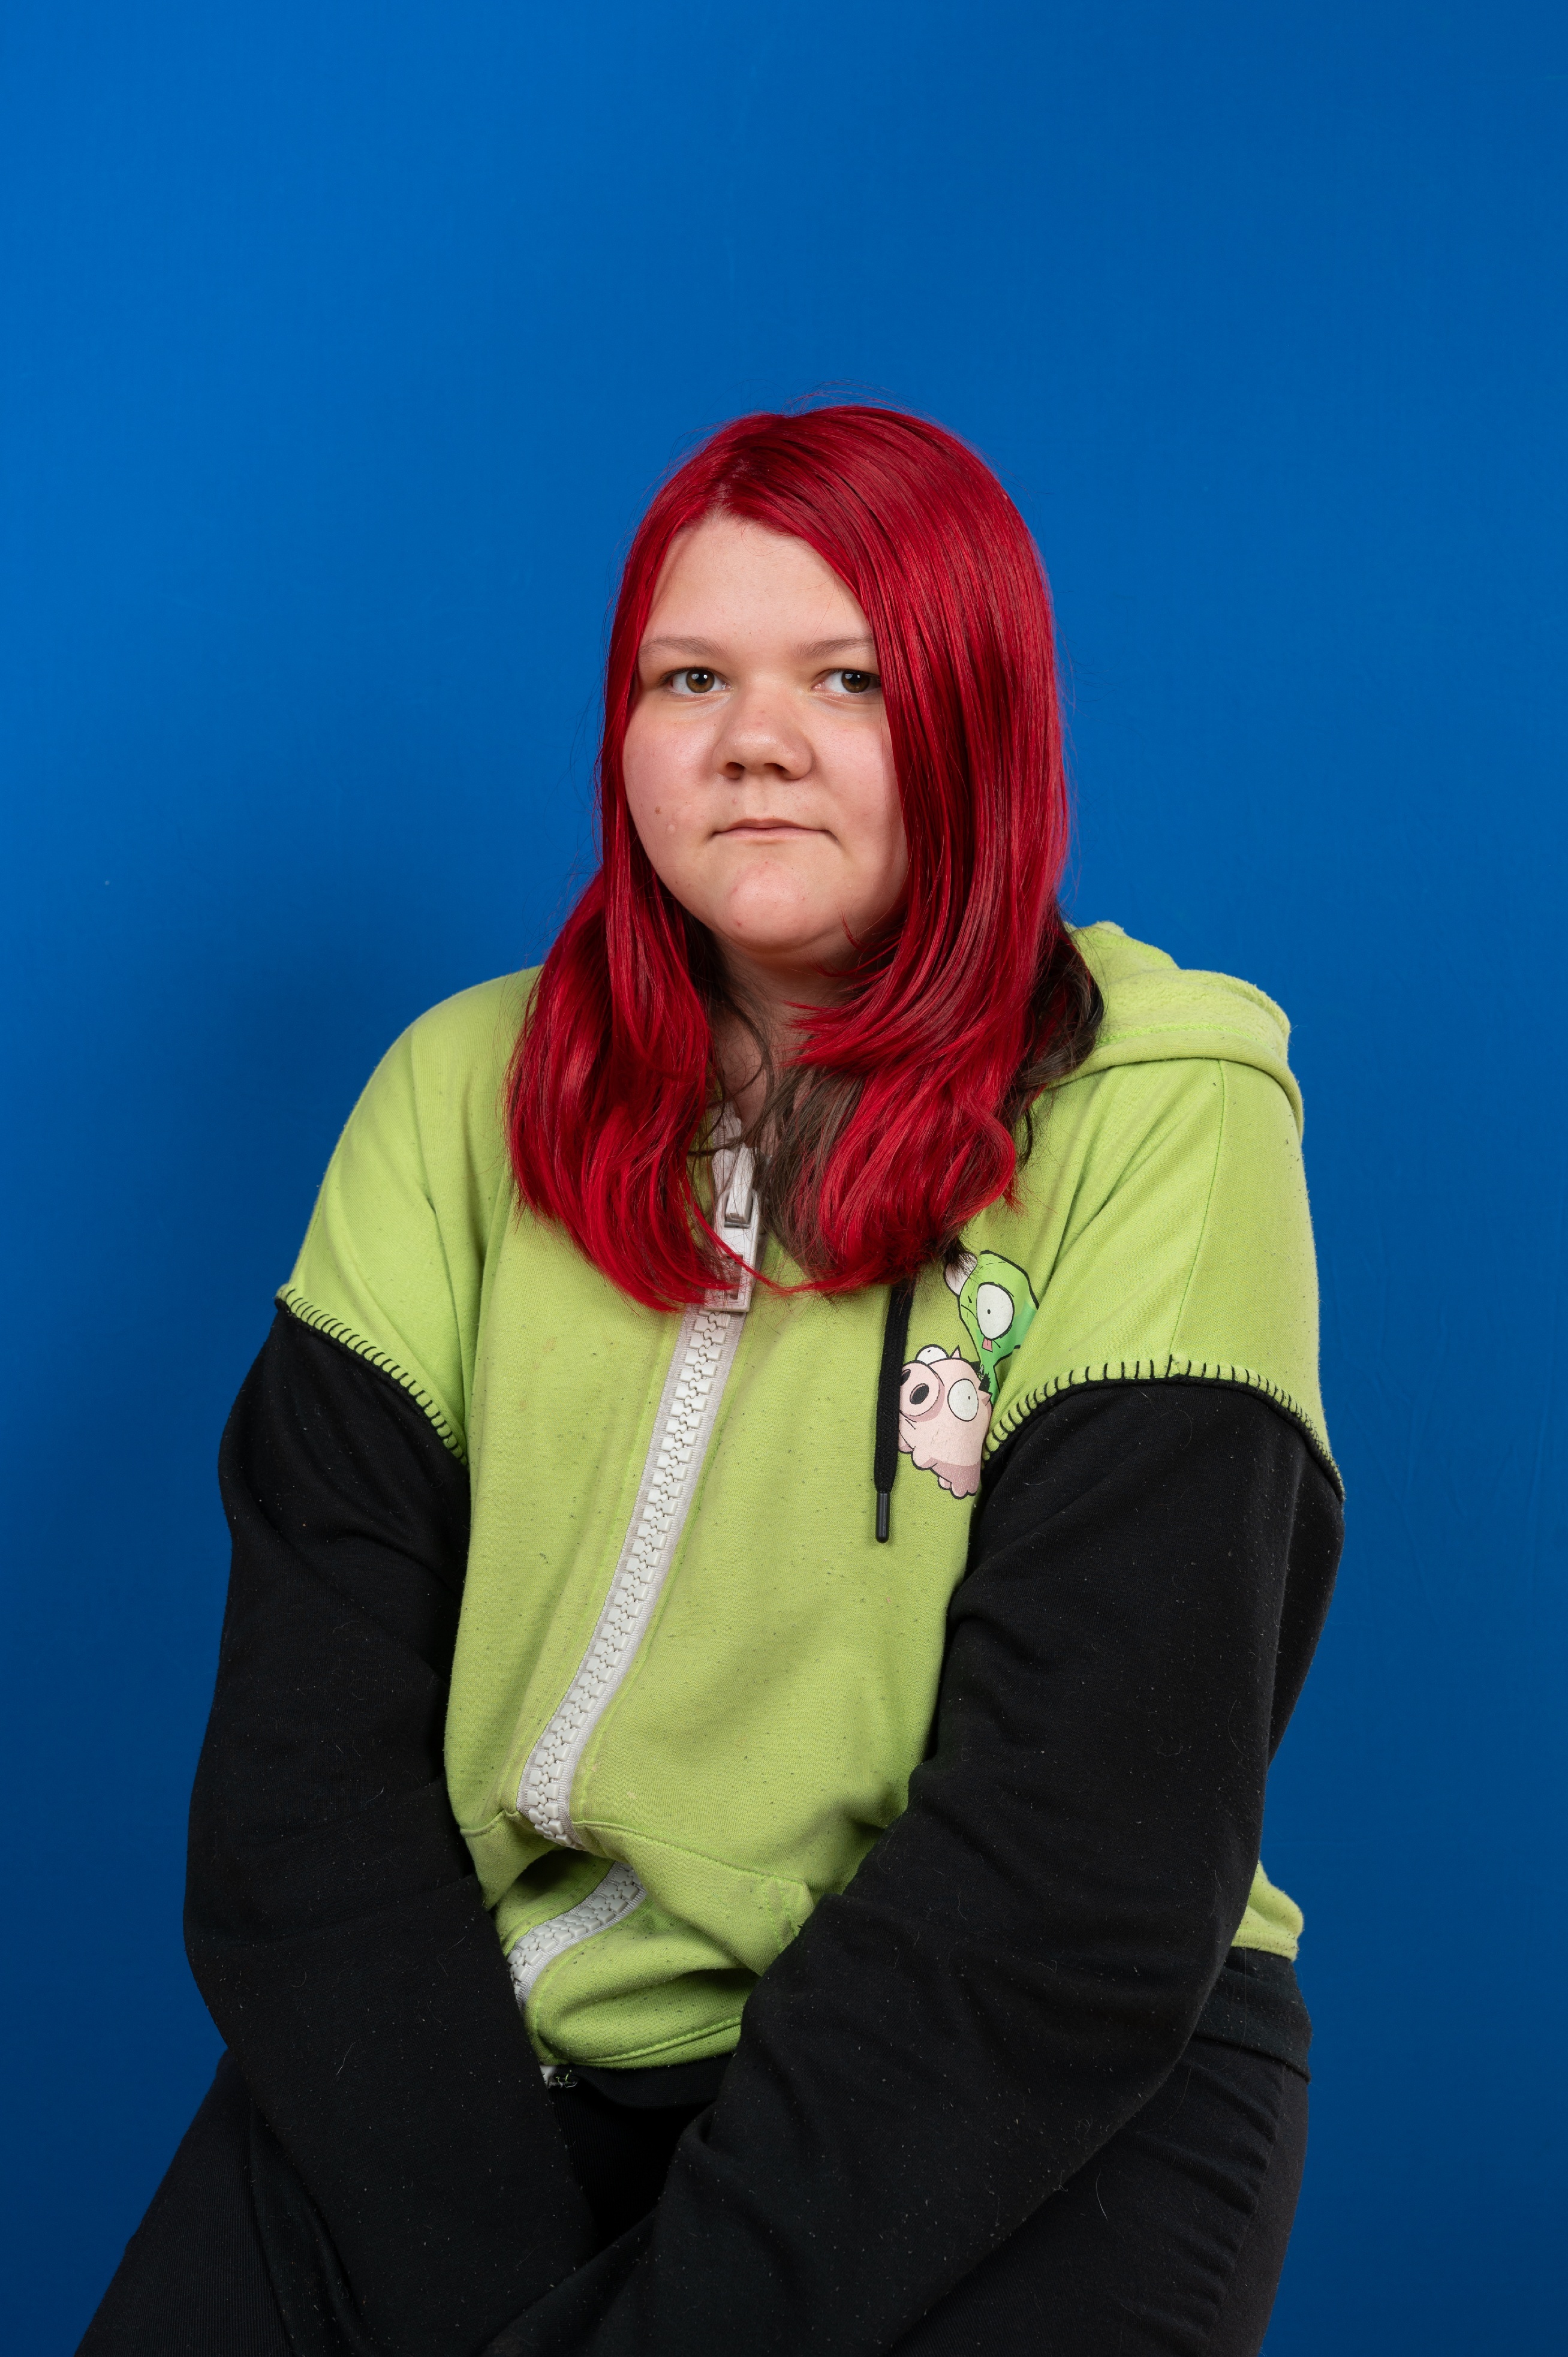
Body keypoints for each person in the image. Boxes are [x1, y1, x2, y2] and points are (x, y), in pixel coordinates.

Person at [81, 405, 1341, 2357]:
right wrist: (492, 2286)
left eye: (851, 678)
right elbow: (298, 1791)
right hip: (503, 2033)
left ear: (980, 723)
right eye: (692, 678)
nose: (757, 738)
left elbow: (1083, 1864)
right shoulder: (453, 1099)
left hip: (1018, 2075)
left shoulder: (1166, 1115)